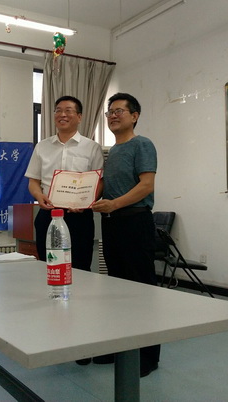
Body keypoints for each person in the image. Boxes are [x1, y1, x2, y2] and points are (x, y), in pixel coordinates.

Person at [92, 92, 160, 377]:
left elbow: (146, 186)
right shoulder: (111, 152)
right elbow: (102, 187)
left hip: (135, 222)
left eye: (119, 111)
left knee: (141, 291)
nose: (113, 116)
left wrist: (114, 204)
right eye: (110, 112)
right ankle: (119, 347)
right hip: (112, 224)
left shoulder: (142, 144)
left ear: (135, 116)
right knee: (116, 290)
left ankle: (148, 356)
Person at [25, 96, 104, 275]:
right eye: (58, 111)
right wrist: (39, 196)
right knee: (48, 265)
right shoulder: (42, 146)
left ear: (79, 117)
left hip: (79, 217)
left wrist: (86, 202)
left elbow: (99, 182)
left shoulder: (92, 147)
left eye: (68, 111)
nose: (62, 115)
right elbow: (33, 181)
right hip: (48, 214)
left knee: (80, 267)